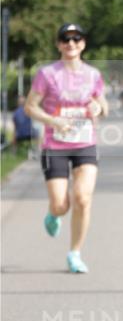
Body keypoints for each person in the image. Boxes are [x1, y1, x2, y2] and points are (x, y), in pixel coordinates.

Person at [25, 23, 108, 274]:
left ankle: (74, 253)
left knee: (83, 199)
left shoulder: (93, 75)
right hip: (55, 146)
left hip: (85, 144)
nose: (71, 44)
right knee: (61, 205)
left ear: (83, 43)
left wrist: (98, 107)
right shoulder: (47, 74)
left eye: (76, 39)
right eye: (65, 39)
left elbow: (103, 103)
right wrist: (54, 121)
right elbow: (30, 106)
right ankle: (54, 214)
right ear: (58, 44)